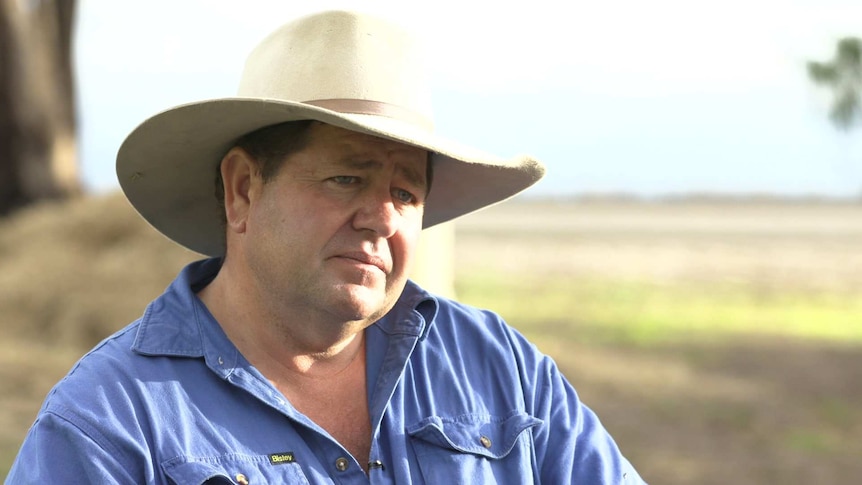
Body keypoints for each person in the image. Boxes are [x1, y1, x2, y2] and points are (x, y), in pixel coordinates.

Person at [8, 10, 646, 484]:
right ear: (242, 191)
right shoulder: (111, 421)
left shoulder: (502, 372)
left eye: (406, 193)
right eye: (347, 179)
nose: (380, 218)